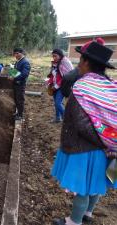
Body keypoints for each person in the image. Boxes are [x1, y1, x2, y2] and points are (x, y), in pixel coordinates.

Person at [52, 38, 117, 225]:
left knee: (83, 188)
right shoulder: (111, 86)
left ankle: (75, 221)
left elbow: (81, 124)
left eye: (81, 59)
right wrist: (110, 140)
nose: (78, 64)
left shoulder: (81, 88)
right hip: (110, 147)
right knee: (97, 184)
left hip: (86, 149)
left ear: (87, 62)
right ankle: (88, 213)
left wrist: (101, 140)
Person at [47, 49, 73, 123]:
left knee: (58, 103)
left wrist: (56, 86)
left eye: (55, 56)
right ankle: (58, 118)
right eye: (53, 56)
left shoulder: (65, 63)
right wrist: (49, 82)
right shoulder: (55, 64)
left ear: (60, 55)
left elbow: (65, 77)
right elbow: (53, 75)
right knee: (56, 103)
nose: (54, 58)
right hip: (55, 86)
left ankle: (67, 120)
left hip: (62, 86)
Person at [12, 48, 31, 120]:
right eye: (14, 54)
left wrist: (14, 78)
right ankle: (18, 113)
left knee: (20, 100)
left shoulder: (25, 62)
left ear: (21, 53)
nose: (15, 55)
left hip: (20, 84)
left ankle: (20, 115)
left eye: (17, 53)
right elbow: (15, 71)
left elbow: (24, 74)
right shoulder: (18, 62)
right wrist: (11, 74)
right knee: (16, 99)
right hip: (16, 84)